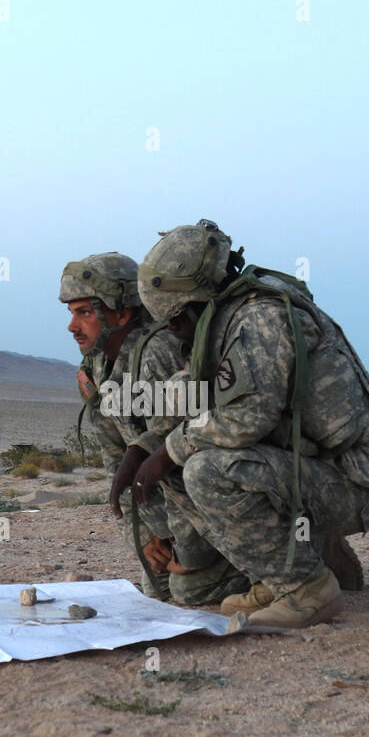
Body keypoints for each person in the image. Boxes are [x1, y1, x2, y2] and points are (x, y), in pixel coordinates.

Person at [129, 220, 369, 629]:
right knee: (175, 463)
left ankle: (308, 588)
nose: (176, 334)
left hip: (353, 482)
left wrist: (167, 452)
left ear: (198, 300)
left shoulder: (260, 318)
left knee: (206, 470)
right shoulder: (224, 322)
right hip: (306, 468)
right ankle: (274, 577)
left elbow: (246, 419)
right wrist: (146, 450)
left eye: (177, 321)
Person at [60, 252, 247, 605]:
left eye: (84, 312)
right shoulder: (98, 365)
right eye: (72, 313)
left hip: (211, 503)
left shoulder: (162, 351)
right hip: (165, 509)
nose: (72, 327)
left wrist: (186, 551)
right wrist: (145, 538)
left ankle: (297, 557)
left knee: (189, 591)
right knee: (157, 592)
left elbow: (180, 454)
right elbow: (116, 460)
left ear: (122, 311)